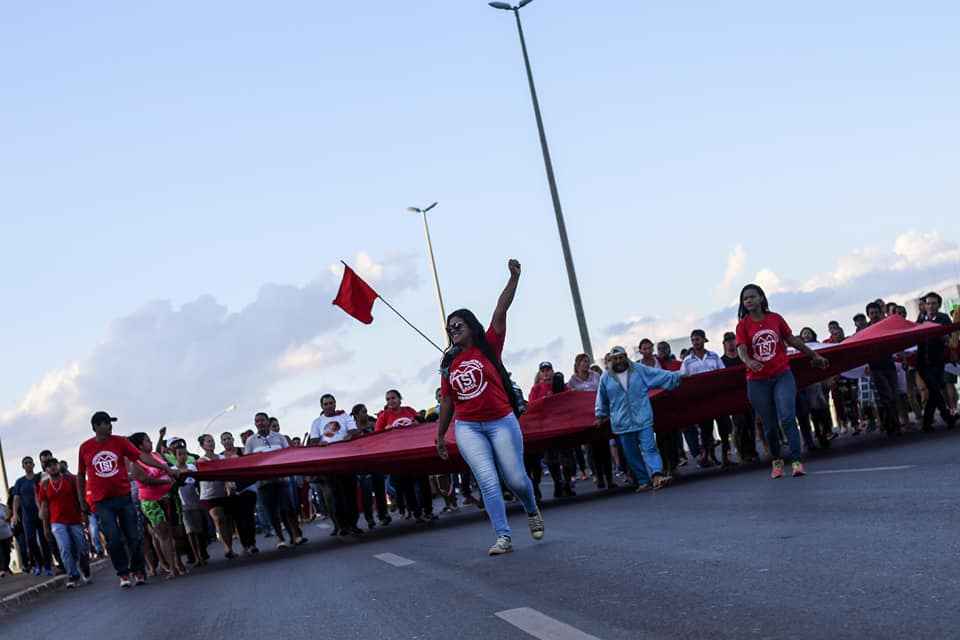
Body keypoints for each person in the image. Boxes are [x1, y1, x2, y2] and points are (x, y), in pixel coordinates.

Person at [435, 259, 544, 556]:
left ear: (471, 327)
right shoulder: (448, 363)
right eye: (449, 328)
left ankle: (531, 506)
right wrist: (440, 435)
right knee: (487, 480)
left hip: (501, 422)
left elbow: (500, 310)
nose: (453, 330)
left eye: (458, 325)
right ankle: (503, 536)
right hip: (468, 426)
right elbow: (447, 401)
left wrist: (514, 279)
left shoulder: (489, 345)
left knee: (516, 479)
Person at [735, 285, 829, 479]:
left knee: (787, 416)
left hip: (781, 375)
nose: (749, 301)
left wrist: (814, 355)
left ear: (761, 298)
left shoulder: (775, 319)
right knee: (769, 425)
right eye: (745, 299)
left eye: (752, 297)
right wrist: (749, 361)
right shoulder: (743, 325)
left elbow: (792, 340)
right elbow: (741, 349)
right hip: (757, 381)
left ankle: (796, 461)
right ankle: (777, 460)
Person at [77, 411, 179, 588]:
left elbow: (142, 457)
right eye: (106, 423)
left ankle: (139, 571)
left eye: (110, 423)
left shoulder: (120, 442)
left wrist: (165, 467)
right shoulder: (85, 447)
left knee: (134, 536)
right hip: (102, 502)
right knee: (113, 539)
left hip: (123, 497)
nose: (110, 426)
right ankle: (123, 574)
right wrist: (81, 500)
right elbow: (80, 475)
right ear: (95, 427)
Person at [596, 346, 682, 491]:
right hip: (622, 423)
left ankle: (657, 475)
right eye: (615, 358)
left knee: (650, 448)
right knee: (631, 454)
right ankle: (643, 481)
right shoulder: (605, 377)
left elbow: (658, 375)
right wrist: (600, 414)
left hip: (643, 417)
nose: (618, 361)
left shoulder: (638, 369)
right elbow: (601, 398)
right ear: (611, 360)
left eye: (621, 357)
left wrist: (677, 376)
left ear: (626, 356)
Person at [128, 432, 185, 578]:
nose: (151, 442)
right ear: (140, 445)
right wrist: (166, 481)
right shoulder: (135, 462)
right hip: (152, 502)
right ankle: (173, 568)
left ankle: (177, 561)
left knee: (177, 532)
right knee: (164, 534)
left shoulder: (157, 456)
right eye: (147, 440)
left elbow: (170, 469)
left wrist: (176, 475)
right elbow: (145, 480)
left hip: (170, 497)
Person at [246, 412, 307, 547]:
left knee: (288, 509)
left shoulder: (279, 437)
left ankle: (296, 535)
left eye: (262, 420)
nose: (260, 423)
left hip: (282, 480)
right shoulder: (251, 441)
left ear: (268, 421)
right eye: (257, 421)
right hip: (263, 483)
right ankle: (280, 539)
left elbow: (288, 455)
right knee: (272, 512)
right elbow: (248, 461)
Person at [375, 390, 435, 524]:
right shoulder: (384, 416)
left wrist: (416, 424)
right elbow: (376, 436)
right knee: (407, 485)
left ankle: (428, 510)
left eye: (393, 398)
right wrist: (387, 429)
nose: (391, 401)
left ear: (400, 399)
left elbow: (423, 424)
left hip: (415, 451)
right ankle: (415, 512)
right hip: (398, 456)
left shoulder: (409, 410)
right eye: (388, 399)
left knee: (423, 481)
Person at [309, 395, 363, 536]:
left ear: (335, 404)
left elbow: (354, 431)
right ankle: (341, 526)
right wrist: (319, 443)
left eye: (331, 403)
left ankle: (353, 524)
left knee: (350, 494)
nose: (329, 406)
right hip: (329, 463)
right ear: (322, 406)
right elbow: (313, 440)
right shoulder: (317, 422)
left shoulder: (344, 416)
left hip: (347, 460)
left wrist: (350, 436)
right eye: (326, 404)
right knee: (335, 495)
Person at [680, 329, 735, 468]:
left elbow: (723, 374)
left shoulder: (714, 356)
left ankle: (726, 456)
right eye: (693, 340)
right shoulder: (687, 361)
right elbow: (682, 379)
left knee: (724, 427)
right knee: (706, 430)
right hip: (701, 400)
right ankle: (709, 457)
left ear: (704, 340)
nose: (695, 342)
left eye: (697, 339)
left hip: (717, 398)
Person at [37, 457, 90, 588]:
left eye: (54, 464)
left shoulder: (70, 479)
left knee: (82, 547)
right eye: (49, 466)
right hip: (57, 522)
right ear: (46, 470)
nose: (53, 467)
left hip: (74, 519)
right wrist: (45, 528)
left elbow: (79, 497)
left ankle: (85, 568)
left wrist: (84, 513)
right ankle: (73, 575)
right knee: (64, 548)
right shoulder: (44, 485)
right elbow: (44, 507)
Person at [568, 353, 615, 489]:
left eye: (587, 361)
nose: (585, 364)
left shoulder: (596, 376)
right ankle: (598, 476)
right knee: (593, 450)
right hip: (585, 419)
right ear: (577, 364)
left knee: (605, 448)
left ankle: (609, 478)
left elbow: (603, 391)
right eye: (582, 361)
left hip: (600, 415)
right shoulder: (572, 381)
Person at [916, 291, 956, 431]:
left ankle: (927, 424)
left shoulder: (943, 318)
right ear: (924, 305)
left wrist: (945, 338)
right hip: (922, 362)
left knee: (934, 391)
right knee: (934, 390)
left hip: (938, 361)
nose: (931, 306)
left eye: (934, 303)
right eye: (928, 303)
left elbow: (951, 337)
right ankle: (947, 418)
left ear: (938, 305)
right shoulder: (920, 320)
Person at [865, 301, 903, 436]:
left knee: (894, 396)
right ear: (868, 315)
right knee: (886, 397)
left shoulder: (886, 326)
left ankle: (890, 423)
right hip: (876, 368)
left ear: (880, 313)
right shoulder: (864, 331)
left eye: (876, 313)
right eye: (871, 313)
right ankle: (894, 425)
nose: (874, 315)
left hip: (889, 365)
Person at [11, 456, 53, 576]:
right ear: (23, 466)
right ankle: (38, 564)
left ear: (34, 465)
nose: (28, 464)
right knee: (31, 541)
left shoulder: (39, 477)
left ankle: (48, 566)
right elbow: (16, 498)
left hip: (41, 514)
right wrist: (14, 513)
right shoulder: (20, 482)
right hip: (27, 517)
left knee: (45, 540)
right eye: (26, 463)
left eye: (30, 462)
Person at [196, 435, 235, 558]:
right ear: (202, 445)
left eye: (212, 441)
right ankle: (226, 547)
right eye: (208, 441)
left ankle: (230, 547)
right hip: (209, 496)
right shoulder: (201, 461)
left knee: (227, 521)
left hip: (223, 494)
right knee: (219, 519)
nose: (211, 443)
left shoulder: (222, 457)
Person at [722, 331, 757, 462]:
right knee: (740, 424)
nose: (731, 342)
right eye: (728, 340)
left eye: (733, 339)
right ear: (724, 344)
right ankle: (744, 452)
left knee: (751, 423)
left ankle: (752, 450)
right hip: (733, 398)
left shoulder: (744, 357)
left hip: (749, 394)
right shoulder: (722, 361)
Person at [172, 444, 207, 567]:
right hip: (183, 505)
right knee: (190, 531)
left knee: (199, 530)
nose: (183, 456)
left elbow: (199, 482)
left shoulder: (192, 467)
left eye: (185, 453)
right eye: (180, 454)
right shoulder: (173, 470)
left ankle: (202, 554)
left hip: (196, 502)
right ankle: (196, 556)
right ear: (175, 456)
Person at [0, 499, 13, 577]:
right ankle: (2, 569)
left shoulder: (3, 507)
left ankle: (6, 568)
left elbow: (9, 514)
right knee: (1, 552)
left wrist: (7, 518)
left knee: (7, 552)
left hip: (6, 533)